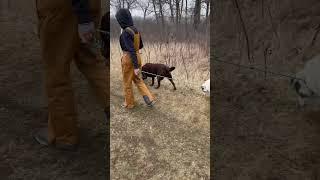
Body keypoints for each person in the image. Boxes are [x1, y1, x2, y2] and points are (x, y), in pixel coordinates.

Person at [34, 0, 109, 151]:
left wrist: (82, 14)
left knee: (56, 71)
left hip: (63, 9)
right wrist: (85, 17)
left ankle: (64, 135)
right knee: (92, 62)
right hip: (87, 5)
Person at [115, 8, 155, 109]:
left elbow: (131, 49)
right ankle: (149, 99)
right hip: (137, 56)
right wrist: (136, 63)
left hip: (129, 58)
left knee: (127, 82)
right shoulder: (135, 30)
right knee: (138, 80)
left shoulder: (125, 33)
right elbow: (140, 46)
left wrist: (136, 67)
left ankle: (129, 104)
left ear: (121, 20)